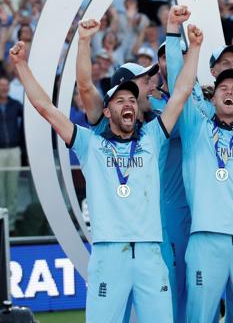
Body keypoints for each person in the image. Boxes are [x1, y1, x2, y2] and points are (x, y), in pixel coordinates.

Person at [10, 28, 201, 321]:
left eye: (132, 101)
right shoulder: (90, 144)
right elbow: (45, 107)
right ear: (107, 111)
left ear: (137, 111)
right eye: (120, 101)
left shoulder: (152, 136)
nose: (128, 104)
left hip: (150, 252)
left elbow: (182, 93)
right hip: (109, 254)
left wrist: (196, 47)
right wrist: (22, 66)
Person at [166, 15, 233, 323]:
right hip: (205, 239)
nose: (229, 92)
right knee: (198, 318)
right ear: (213, 98)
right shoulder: (195, 129)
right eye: (223, 87)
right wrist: (176, 35)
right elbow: (179, 84)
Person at [0, 75, 23, 232]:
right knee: (0, 191)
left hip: (14, 151)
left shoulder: (16, 105)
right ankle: (2, 225)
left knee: (12, 190)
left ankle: (11, 226)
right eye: (1, 86)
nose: (4, 88)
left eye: (6, 86)